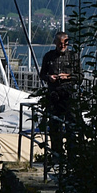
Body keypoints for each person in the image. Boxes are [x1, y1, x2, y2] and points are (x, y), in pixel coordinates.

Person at [39, 31, 82, 161]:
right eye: (59, 43)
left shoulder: (74, 56)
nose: (62, 45)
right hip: (53, 95)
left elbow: (80, 76)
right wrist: (49, 78)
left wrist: (67, 76)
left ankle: (72, 155)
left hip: (69, 95)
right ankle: (57, 155)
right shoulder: (48, 56)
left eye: (64, 43)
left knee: (71, 126)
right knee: (54, 126)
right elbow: (42, 74)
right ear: (55, 43)